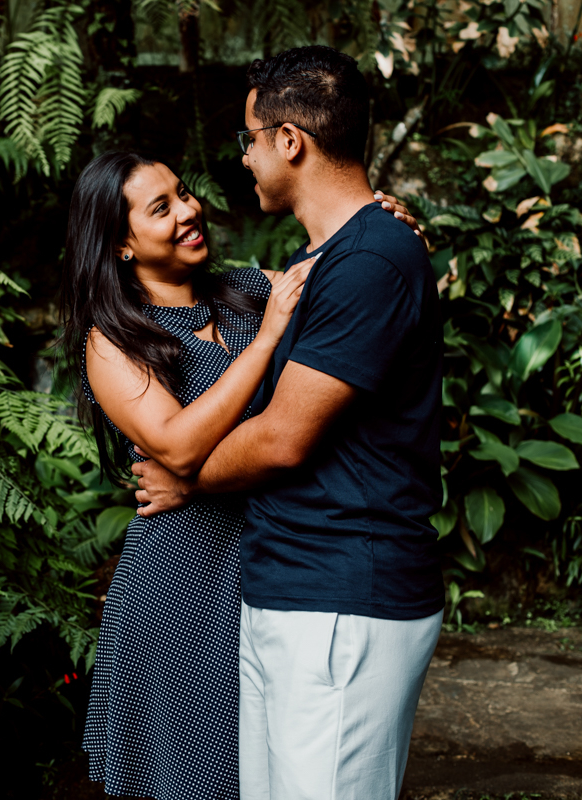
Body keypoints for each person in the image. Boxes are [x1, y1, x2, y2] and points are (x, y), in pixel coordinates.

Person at [131, 46, 446, 800]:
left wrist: (185, 474)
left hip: (344, 597)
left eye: (248, 139)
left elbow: (282, 437)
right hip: (290, 587)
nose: (244, 159)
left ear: (289, 141)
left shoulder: (371, 258)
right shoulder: (323, 260)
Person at [63, 150, 420, 800]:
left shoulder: (247, 289)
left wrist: (384, 223)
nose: (189, 211)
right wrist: (263, 344)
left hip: (267, 568)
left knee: (269, 773)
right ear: (119, 243)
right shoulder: (114, 341)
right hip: (180, 584)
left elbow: (353, 271)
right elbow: (174, 446)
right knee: (199, 777)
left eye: (184, 194)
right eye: (161, 207)